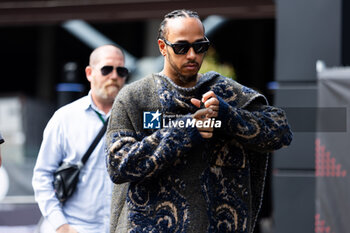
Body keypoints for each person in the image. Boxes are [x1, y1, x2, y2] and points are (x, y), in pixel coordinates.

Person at [106, 9, 293, 233]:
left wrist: (228, 116)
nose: (192, 55)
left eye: (200, 46)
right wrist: (187, 128)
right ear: (162, 47)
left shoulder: (225, 92)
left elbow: (281, 131)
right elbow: (118, 165)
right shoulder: (135, 97)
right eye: (182, 47)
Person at [32, 44, 128, 233]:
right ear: (89, 73)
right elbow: (42, 176)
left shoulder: (134, 116)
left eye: (121, 70)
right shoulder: (65, 118)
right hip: (77, 228)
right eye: (107, 69)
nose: (114, 76)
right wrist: (61, 226)